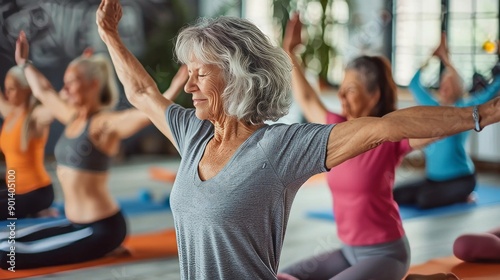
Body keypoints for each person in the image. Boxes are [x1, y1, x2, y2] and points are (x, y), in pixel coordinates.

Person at [96, 0, 500, 279]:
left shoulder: (278, 149)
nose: (189, 87)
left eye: (200, 74)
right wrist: (109, 33)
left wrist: (480, 114)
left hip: (382, 250)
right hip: (346, 248)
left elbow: (388, 127)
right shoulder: (193, 134)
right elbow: (142, 94)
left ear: (236, 77)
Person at [0, 31, 188, 269]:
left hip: (100, 227)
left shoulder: (103, 125)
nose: (64, 88)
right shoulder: (71, 117)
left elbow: (142, 116)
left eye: (71, 82)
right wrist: (24, 64)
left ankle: (106, 247)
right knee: (3, 242)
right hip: (74, 222)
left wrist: (172, 91)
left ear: (93, 84)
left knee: (8, 256)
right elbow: (44, 91)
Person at [275, 13, 442, 280]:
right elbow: (306, 98)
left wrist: (476, 115)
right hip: (348, 252)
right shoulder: (337, 129)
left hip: (387, 253)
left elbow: (434, 127)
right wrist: (289, 51)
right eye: (341, 88)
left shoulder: (390, 135)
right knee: (281, 278)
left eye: (350, 90)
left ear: (374, 95)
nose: (340, 95)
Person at [393, 32, 500, 209]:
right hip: (433, 179)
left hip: (461, 178)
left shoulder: (465, 108)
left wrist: (448, 60)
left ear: (457, 88)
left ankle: (464, 194)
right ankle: (451, 194)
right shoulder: (431, 105)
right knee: (397, 194)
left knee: (424, 200)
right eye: (442, 84)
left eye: (449, 85)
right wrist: (433, 57)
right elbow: (413, 83)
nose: (444, 88)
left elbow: (493, 89)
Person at [0, 66, 56, 220]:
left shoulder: (35, 117)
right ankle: (38, 213)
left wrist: (25, 65)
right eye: (6, 89)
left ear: (27, 89)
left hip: (37, 192)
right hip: (14, 192)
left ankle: (39, 210)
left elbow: (55, 107)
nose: (7, 94)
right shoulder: (11, 113)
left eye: (12, 89)